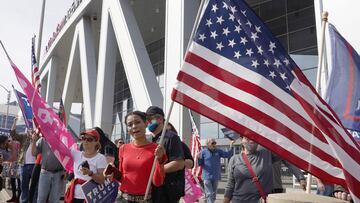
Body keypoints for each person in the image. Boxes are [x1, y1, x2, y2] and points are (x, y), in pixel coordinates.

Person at [107, 110, 166, 202]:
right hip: (122, 198)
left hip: (144, 199)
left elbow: (158, 182)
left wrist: (160, 160)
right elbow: (122, 177)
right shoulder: (123, 148)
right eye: (130, 124)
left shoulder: (157, 149)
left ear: (146, 123)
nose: (134, 126)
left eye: (138, 122)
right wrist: (112, 172)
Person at [146, 106, 185, 203]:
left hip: (168, 190)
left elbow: (178, 163)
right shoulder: (149, 140)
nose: (148, 122)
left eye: (150, 119)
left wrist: (156, 171)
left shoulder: (171, 137)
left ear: (159, 119)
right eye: (146, 120)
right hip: (154, 189)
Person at [223, 137, 280, 203]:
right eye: (247, 137)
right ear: (242, 140)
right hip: (238, 200)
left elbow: (283, 150)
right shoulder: (234, 159)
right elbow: (230, 185)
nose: (252, 140)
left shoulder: (267, 154)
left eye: (254, 137)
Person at [64, 128, 107, 203]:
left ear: (96, 142)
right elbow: (60, 147)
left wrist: (90, 173)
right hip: (73, 196)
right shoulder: (76, 153)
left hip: (90, 198)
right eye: (83, 138)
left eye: (89, 139)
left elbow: (102, 180)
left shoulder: (101, 158)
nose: (86, 141)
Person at [31, 133, 65, 203]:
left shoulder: (64, 139)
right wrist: (34, 141)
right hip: (45, 173)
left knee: (54, 200)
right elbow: (34, 153)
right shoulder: (43, 139)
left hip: (59, 174)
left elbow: (69, 156)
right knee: (41, 199)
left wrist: (66, 171)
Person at [9, 118, 37, 203]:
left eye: (32, 129)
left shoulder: (38, 138)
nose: (30, 131)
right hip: (23, 165)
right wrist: (14, 122)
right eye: (29, 129)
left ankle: (33, 201)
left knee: (35, 187)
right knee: (23, 186)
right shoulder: (23, 137)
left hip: (35, 166)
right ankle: (24, 201)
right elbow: (13, 134)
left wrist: (34, 139)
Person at [199, 138, 234, 203]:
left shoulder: (218, 151)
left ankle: (208, 201)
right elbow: (200, 163)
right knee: (210, 193)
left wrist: (231, 146)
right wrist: (198, 158)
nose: (214, 144)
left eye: (215, 143)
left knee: (214, 194)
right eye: (212, 143)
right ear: (208, 144)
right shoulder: (203, 152)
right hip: (207, 176)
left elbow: (228, 155)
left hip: (216, 176)